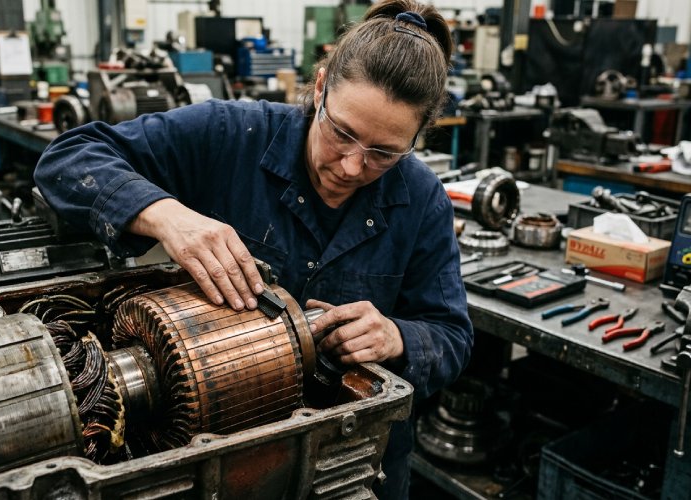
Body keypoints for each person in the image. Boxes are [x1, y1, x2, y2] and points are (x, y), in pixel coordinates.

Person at [34, 1, 472, 497]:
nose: (352, 166)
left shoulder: (423, 201)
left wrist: (397, 337)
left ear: (417, 137)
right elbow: (68, 159)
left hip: (350, 461)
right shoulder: (228, 135)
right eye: (342, 133)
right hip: (224, 457)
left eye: (383, 152)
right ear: (322, 85)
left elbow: (452, 335)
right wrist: (167, 216)